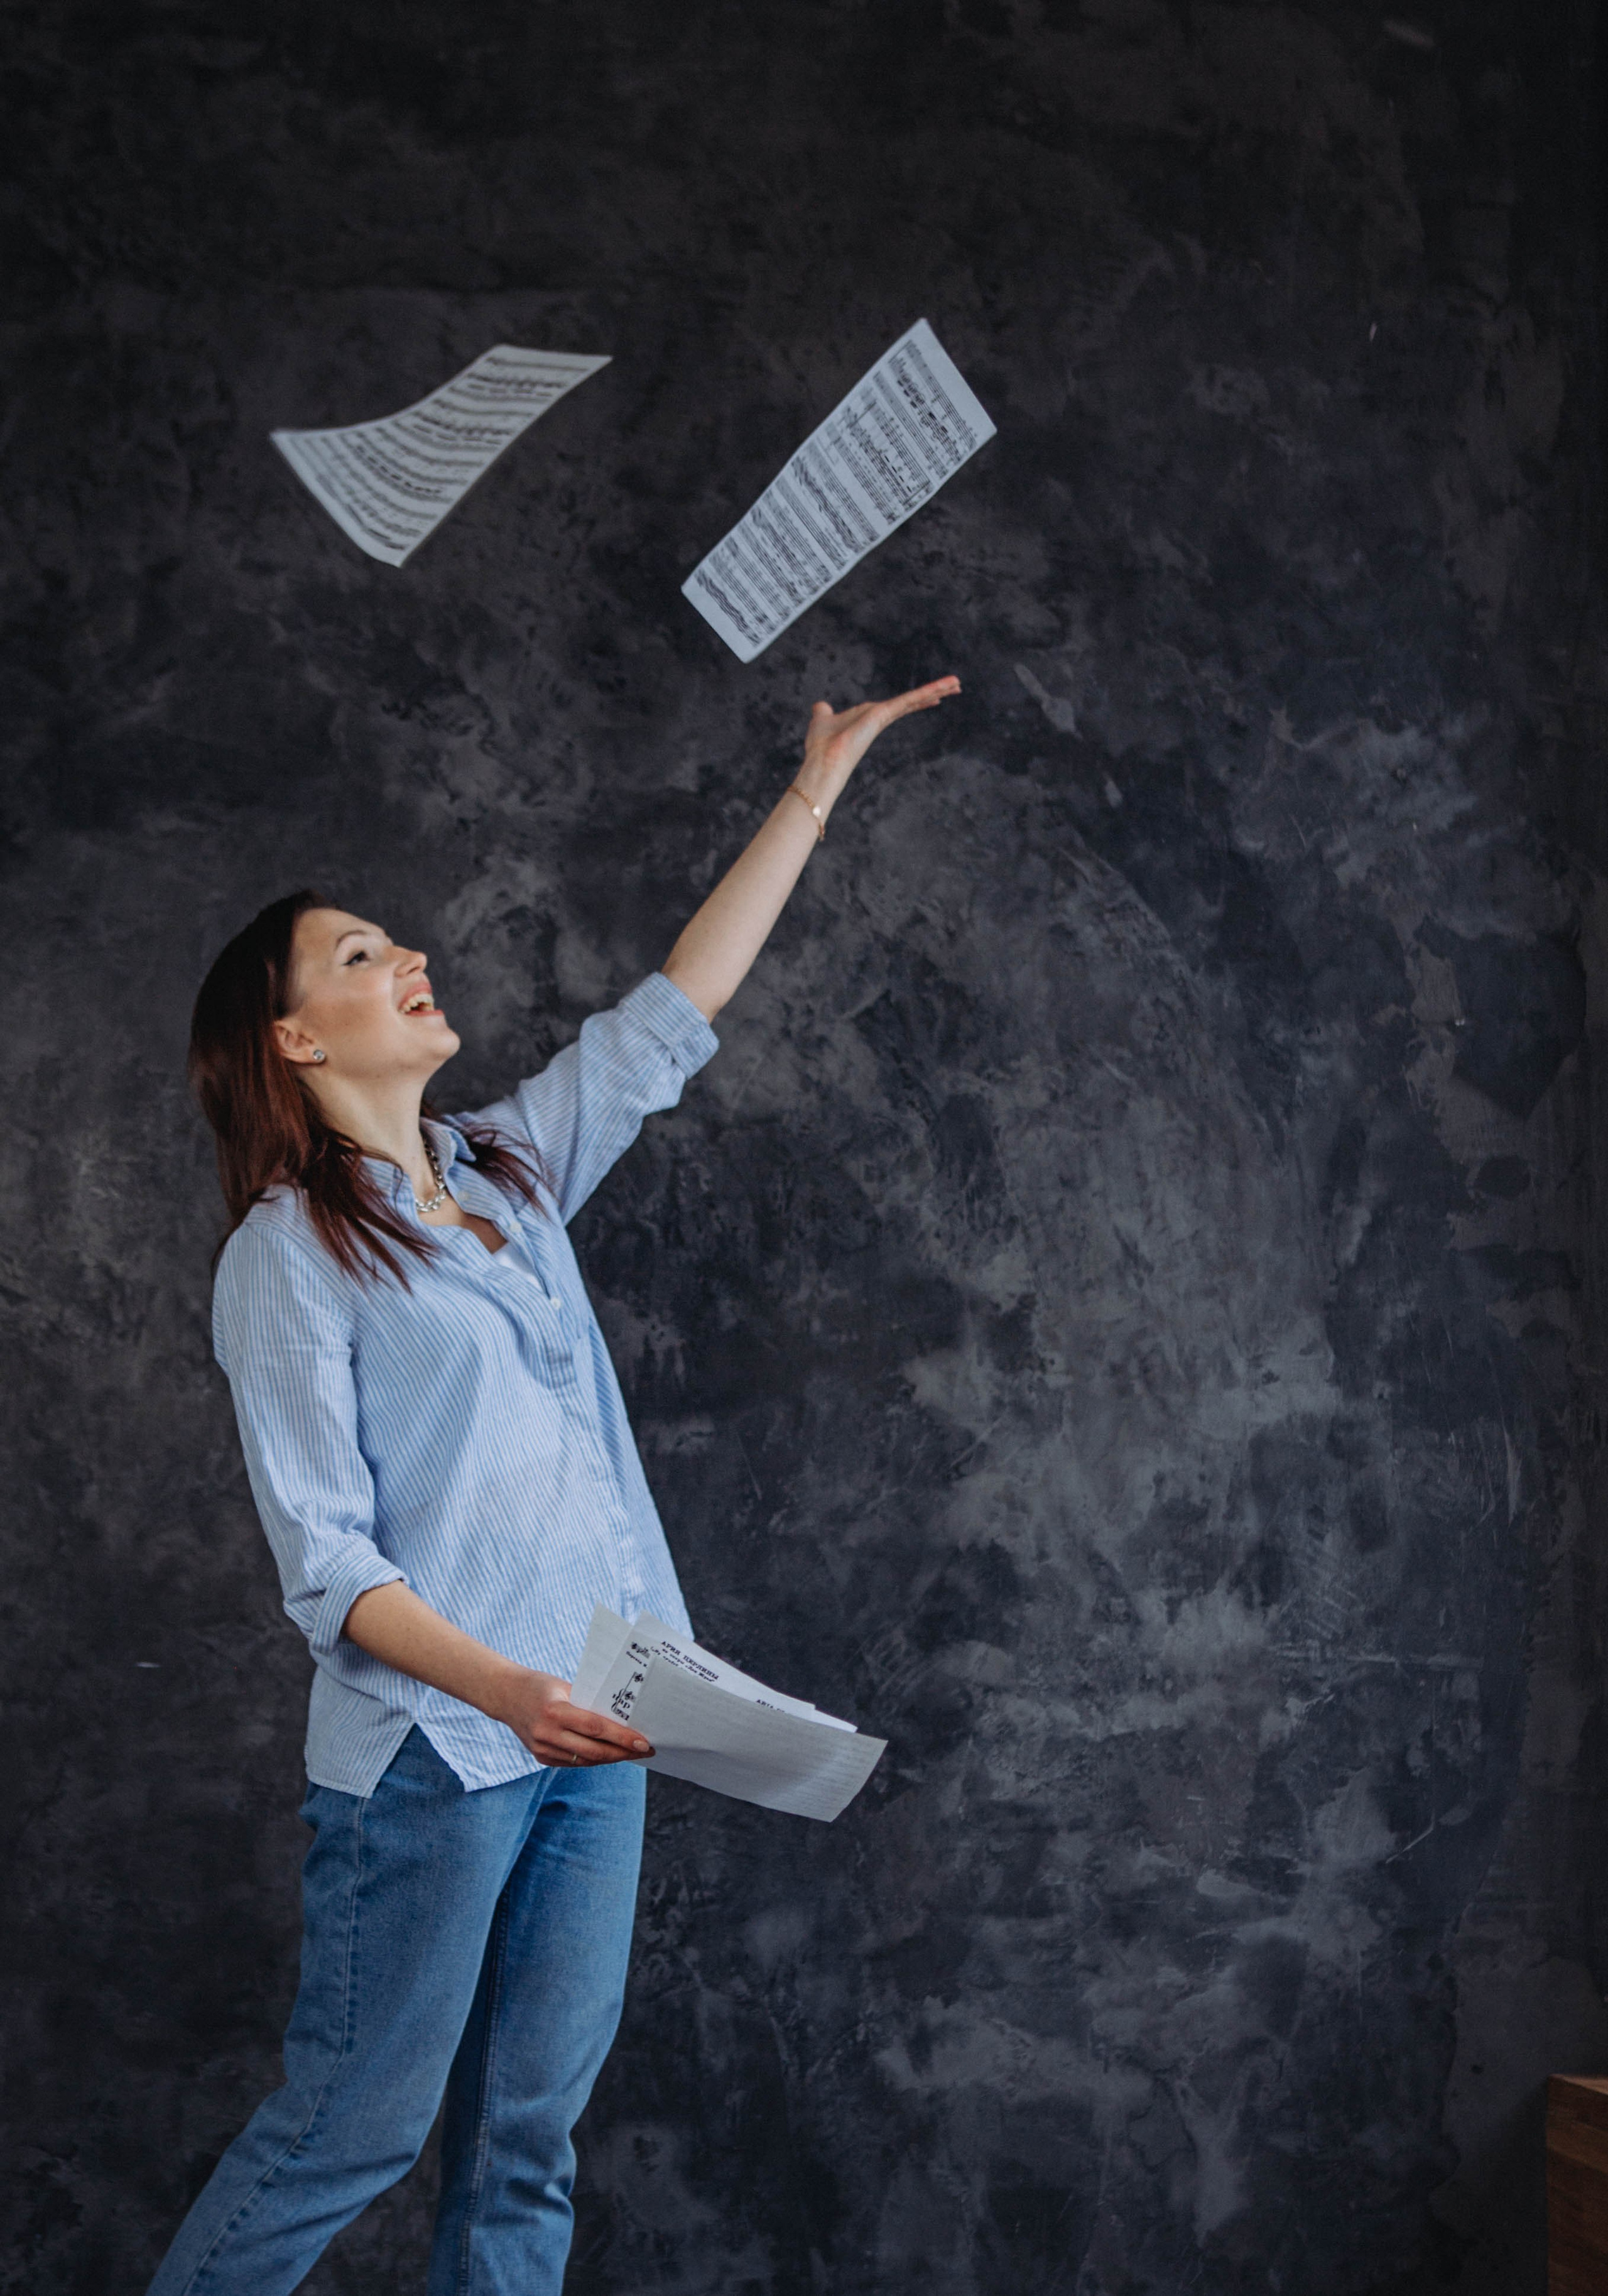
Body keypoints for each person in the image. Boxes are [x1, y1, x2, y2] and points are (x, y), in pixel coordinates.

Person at [148, 676, 959, 2296]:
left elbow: (673, 1014)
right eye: (361, 956)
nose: (408, 959)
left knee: (531, 2143)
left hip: (603, 1720)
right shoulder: (286, 1258)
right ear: (295, 1038)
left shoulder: (514, 1172)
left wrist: (814, 790)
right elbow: (328, 1567)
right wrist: (507, 1691)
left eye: (397, 939)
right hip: (442, 1750)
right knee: (350, 2135)